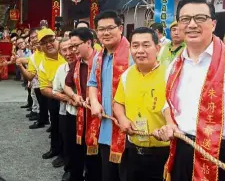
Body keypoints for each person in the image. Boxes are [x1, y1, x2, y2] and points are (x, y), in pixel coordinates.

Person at [152, 0, 225, 181]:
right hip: (183, 150)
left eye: (200, 18)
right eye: (185, 19)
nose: (192, 24)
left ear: (213, 24)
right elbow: (168, 103)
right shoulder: (175, 65)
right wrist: (170, 124)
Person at [113, 27, 169, 181]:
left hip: (163, 151)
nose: (140, 50)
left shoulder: (169, 75)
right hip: (133, 149)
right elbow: (117, 103)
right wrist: (122, 119)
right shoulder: (126, 75)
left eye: (146, 45)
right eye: (135, 46)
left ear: (157, 48)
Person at [88, 10, 133, 181]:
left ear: (120, 28)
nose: (105, 33)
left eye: (110, 28)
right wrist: (93, 101)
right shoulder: (99, 56)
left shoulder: (132, 54)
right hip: (105, 126)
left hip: (127, 128)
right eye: (101, 29)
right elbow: (92, 83)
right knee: (108, 175)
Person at [64, 27, 101, 181]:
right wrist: (74, 95)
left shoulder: (102, 60)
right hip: (80, 115)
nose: (72, 50)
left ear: (88, 42)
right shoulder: (76, 64)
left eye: (75, 46)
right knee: (78, 151)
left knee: (97, 158)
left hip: (99, 117)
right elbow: (66, 85)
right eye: (71, 46)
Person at [37, 28, 66, 160]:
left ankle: (65, 154)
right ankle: (55, 150)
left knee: (69, 130)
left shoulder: (67, 52)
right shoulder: (42, 64)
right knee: (56, 126)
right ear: (40, 47)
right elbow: (43, 89)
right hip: (55, 98)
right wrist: (61, 96)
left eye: (51, 40)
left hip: (76, 97)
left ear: (57, 39)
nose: (49, 44)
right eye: (44, 43)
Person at [52, 38, 77, 180]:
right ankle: (69, 169)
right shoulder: (61, 69)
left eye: (71, 48)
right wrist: (69, 99)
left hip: (87, 112)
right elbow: (55, 91)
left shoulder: (87, 66)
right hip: (67, 111)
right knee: (68, 142)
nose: (68, 53)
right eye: (64, 50)